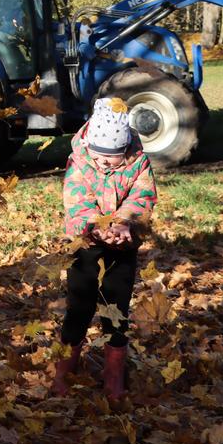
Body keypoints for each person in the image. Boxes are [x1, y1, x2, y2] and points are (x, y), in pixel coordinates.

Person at [50, 97, 158, 399]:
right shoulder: (80, 162)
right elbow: (77, 202)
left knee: (116, 309)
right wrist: (97, 227)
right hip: (85, 246)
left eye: (112, 158)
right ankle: (64, 370)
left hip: (122, 246)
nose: (104, 164)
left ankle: (114, 375)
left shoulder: (138, 162)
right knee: (79, 307)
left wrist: (125, 224)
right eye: (99, 157)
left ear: (124, 149)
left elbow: (142, 197)